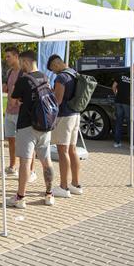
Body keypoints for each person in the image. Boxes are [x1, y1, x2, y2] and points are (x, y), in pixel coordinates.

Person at [9, 50, 55, 208]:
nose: (21, 66)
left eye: (22, 63)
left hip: (27, 125)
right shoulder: (45, 76)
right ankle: (49, 194)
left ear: (26, 62)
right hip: (45, 125)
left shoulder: (23, 80)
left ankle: (20, 197)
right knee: (46, 161)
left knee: (25, 162)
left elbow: (13, 102)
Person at [48, 54, 82, 199]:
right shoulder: (74, 73)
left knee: (62, 150)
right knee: (72, 149)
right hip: (76, 115)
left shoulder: (61, 77)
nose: (53, 72)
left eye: (53, 69)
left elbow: (58, 100)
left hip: (64, 116)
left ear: (56, 64)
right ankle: (76, 184)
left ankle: (63, 186)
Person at [2, 47, 35, 181]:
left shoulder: (24, 73)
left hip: (21, 113)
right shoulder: (10, 72)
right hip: (9, 111)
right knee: (11, 139)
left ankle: (31, 171)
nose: (6, 59)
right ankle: (12, 166)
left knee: (26, 143)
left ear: (16, 56)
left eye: (8, 56)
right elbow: (7, 89)